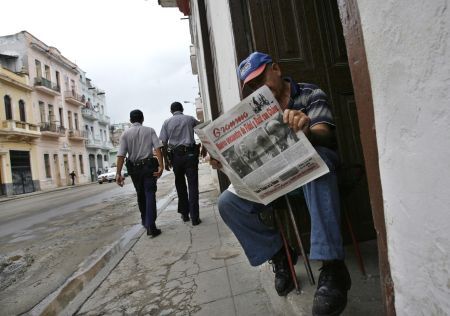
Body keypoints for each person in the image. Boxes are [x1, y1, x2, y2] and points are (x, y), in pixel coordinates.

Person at [210, 52, 350, 316]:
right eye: (252, 86)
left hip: (315, 169)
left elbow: (326, 134)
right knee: (228, 203)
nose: (259, 88)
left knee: (317, 164)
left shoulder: (310, 93)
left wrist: (307, 130)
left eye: (261, 78)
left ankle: (332, 267)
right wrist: (225, 162)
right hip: (276, 179)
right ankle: (280, 254)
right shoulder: (256, 111)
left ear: (276, 68)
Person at [115, 109, 164, 238]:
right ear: (142, 119)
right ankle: (151, 225)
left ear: (131, 120)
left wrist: (118, 173)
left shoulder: (125, 134)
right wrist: (161, 165)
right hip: (148, 167)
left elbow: (121, 155)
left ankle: (145, 222)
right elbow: (157, 148)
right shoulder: (150, 130)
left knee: (140, 195)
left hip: (135, 170)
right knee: (150, 194)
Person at [160, 102, 202, 226]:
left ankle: (185, 214)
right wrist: (204, 147)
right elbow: (202, 129)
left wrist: (166, 161)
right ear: (182, 109)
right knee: (193, 185)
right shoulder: (190, 119)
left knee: (180, 185)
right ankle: (195, 217)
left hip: (176, 157)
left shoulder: (166, 122)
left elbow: (163, 143)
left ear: (171, 111)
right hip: (190, 155)